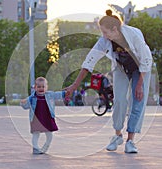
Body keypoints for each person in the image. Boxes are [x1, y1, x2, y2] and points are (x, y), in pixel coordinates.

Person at [65, 10, 152, 153]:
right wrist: (74, 85)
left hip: (141, 68)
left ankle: (130, 141)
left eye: (105, 32)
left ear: (115, 29)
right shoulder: (105, 41)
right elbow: (89, 61)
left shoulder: (134, 35)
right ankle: (117, 136)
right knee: (119, 100)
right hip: (121, 68)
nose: (103, 36)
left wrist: (139, 85)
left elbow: (146, 60)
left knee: (137, 102)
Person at [20, 77, 66, 155]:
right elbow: (26, 106)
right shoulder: (32, 97)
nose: (41, 88)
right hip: (36, 119)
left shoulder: (49, 94)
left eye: (43, 86)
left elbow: (57, 94)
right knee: (36, 134)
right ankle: (36, 148)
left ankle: (45, 148)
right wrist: (23, 102)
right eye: (39, 87)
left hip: (47, 118)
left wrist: (65, 93)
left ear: (46, 87)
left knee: (49, 135)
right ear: (35, 88)